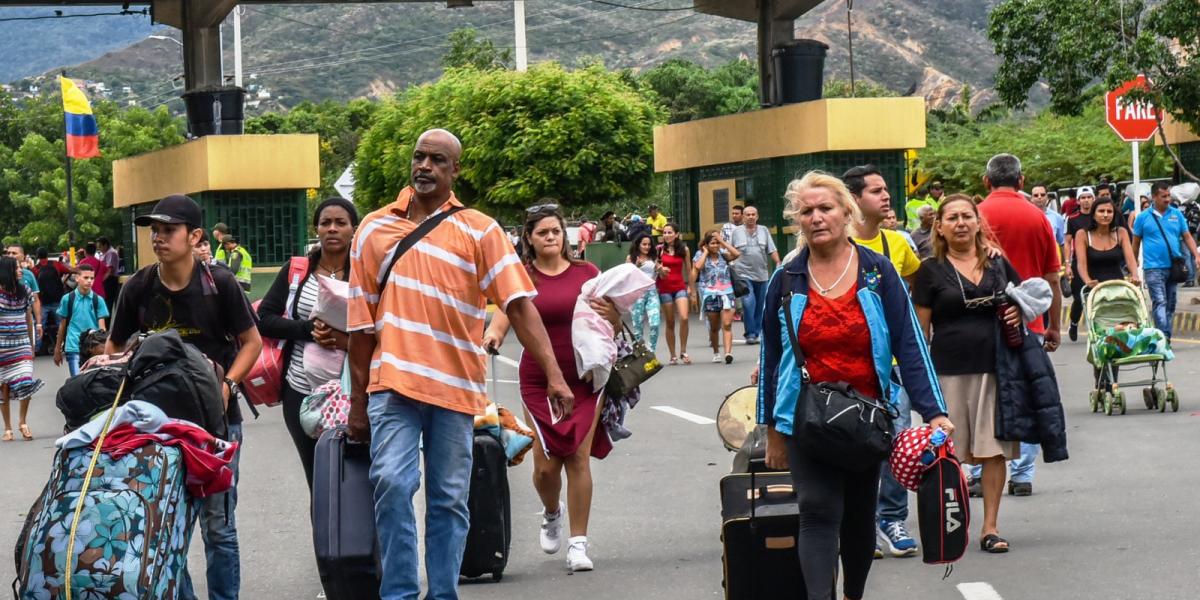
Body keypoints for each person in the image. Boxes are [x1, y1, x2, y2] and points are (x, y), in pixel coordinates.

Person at [345, 129, 571, 600]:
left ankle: (442, 592)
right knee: (390, 482)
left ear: (455, 170)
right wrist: (357, 402)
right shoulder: (373, 229)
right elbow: (360, 325)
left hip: (455, 389)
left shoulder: (480, 229)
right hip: (392, 384)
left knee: (449, 499)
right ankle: (401, 594)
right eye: (419, 157)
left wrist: (553, 373)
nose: (424, 166)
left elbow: (518, 305)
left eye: (437, 160)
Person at [759, 171, 953, 600]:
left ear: (846, 212)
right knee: (817, 509)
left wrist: (934, 410)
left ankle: (853, 595)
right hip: (804, 416)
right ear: (797, 220)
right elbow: (771, 359)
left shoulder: (877, 272)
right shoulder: (786, 279)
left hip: (867, 417)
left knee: (858, 518)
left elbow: (911, 342)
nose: (816, 218)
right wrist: (771, 428)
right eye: (806, 211)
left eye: (825, 208)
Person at [105, 193, 263, 600]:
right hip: (158, 429)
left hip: (218, 424)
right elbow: (113, 347)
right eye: (154, 231)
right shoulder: (138, 287)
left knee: (218, 526)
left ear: (194, 236)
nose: (158, 238)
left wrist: (226, 385)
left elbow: (252, 343)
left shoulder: (219, 283)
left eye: (168, 230)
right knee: (165, 525)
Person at [483, 204, 618, 572]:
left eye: (556, 232)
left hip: (585, 376)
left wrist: (615, 317)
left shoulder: (587, 273)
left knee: (576, 455)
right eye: (542, 232)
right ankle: (551, 510)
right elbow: (503, 318)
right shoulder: (520, 277)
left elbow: (612, 321)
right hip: (539, 378)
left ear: (565, 236)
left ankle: (578, 544)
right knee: (545, 467)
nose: (550, 238)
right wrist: (492, 338)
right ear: (529, 238)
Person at [913, 194, 1026, 554]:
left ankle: (990, 528)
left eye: (967, 216)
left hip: (995, 369)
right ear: (940, 228)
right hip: (948, 373)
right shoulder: (929, 270)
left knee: (994, 451)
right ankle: (951, 525)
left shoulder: (998, 264)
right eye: (952, 218)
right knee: (948, 453)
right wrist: (922, 384)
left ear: (978, 223)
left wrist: (1017, 315)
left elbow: (1027, 302)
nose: (961, 223)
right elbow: (921, 332)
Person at [841, 165, 923, 557]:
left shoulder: (898, 244)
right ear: (855, 200)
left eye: (886, 189)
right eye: (876, 191)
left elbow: (926, 282)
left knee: (899, 437)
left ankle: (891, 517)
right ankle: (859, 521)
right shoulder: (835, 244)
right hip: (845, 366)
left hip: (890, 365)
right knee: (852, 442)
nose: (886, 196)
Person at [977, 153, 1063, 498]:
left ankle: (978, 468)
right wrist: (1054, 324)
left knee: (984, 397)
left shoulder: (974, 215)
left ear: (987, 182)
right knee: (1026, 395)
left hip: (981, 323)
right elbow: (1052, 278)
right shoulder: (1038, 217)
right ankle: (1022, 474)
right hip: (1029, 320)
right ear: (1022, 181)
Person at [257, 198, 357, 490]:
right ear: (317, 229)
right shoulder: (298, 271)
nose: (333, 229)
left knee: (354, 478)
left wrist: (342, 340)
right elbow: (264, 318)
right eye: (326, 223)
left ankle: (356, 536)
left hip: (353, 394)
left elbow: (380, 332)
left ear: (354, 229)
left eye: (341, 223)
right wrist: (307, 330)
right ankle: (324, 536)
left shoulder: (366, 275)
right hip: (301, 392)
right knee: (319, 480)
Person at [1133, 181, 1200, 344]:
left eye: (1169, 195)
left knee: (1170, 304)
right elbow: (1135, 243)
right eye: (1163, 196)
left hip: (1174, 266)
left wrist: (1196, 255)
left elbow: (1187, 237)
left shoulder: (1176, 215)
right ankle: (1164, 335)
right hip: (1153, 268)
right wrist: (1133, 265)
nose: (1167, 199)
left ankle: (1162, 334)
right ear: (1154, 197)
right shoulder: (1142, 218)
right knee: (1160, 301)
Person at [0, 256, 41, 442]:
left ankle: (22, 422)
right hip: (1, 349)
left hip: (22, 345)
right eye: (17, 267)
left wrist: (31, 345)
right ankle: (7, 428)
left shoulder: (25, 290)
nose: (20, 270)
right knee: (3, 389)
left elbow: (28, 318)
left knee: (26, 382)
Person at [730, 205, 779, 345]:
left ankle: (756, 332)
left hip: (762, 274)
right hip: (743, 273)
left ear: (757, 216)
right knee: (748, 303)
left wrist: (778, 262)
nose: (750, 217)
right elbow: (730, 250)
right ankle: (750, 333)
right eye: (747, 214)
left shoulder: (764, 230)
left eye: (753, 214)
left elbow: (772, 249)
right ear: (743, 217)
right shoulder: (736, 232)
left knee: (759, 305)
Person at [693, 229, 741, 363]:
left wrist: (722, 242)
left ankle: (728, 353)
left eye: (716, 243)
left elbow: (736, 254)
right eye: (712, 243)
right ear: (706, 244)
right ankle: (716, 351)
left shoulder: (723, 255)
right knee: (714, 327)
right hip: (710, 294)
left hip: (727, 293)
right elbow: (698, 267)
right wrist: (706, 252)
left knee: (727, 324)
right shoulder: (700, 254)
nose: (715, 246)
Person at [53, 264, 108, 377]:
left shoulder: (98, 300)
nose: (89, 281)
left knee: (93, 381)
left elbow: (102, 328)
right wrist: (57, 349)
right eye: (86, 277)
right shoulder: (67, 299)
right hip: (73, 346)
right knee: (77, 380)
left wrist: (105, 350)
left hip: (94, 348)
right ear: (77, 278)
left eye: (92, 278)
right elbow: (62, 325)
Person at [1076, 196, 1139, 290]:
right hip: (1094, 287)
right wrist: (1087, 280)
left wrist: (1135, 275)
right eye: (1101, 211)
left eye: (1109, 211)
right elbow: (1081, 264)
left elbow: (1130, 260)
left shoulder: (1121, 232)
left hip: (1118, 286)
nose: (1105, 215)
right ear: (1093, 214)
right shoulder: (1083, 235)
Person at [656, 223, 694, 365]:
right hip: (665, 288)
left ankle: (683, 351)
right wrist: (659, 268)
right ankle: (672, 355)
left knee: (684, 317)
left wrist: (693, 291)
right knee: (670, 322)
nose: (666, 235)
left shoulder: (684, 249)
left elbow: (689, 271)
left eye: (669, 232)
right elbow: (654, 266)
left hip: (679, 287)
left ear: (676, 234)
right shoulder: (659, 249)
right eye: (665, 232)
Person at [1064, 186, 1096, 342]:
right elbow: (1068, 242)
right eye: (1083, 198)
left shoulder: (1099, 216)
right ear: (1078, 201)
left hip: (1097, 260)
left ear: (1093, 199)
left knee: (1096, 297)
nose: (1086, 200)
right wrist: (1068, 264)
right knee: (1079, 298)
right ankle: (1074, 322)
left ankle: (1095, 329)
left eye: (1089, 197)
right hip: (1079, 262)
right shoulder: (1072, 219)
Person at [626, 233, 663, 352]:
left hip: (652, 293)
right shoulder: (630, 258)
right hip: (637, 295)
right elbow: (626, 276)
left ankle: (651, 350)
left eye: (649, 244)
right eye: (644, 244)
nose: (647, 247)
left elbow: (662, 275)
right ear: (638, 245)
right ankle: (641, 352)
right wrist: (635, 266)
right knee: (638, 327)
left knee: (655, 323)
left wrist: (660, 270)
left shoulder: (654, 258)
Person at [32, 247, 72, 352]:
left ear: (37, 256)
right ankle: (67, 347)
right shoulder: (56, 265)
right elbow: (71, 270)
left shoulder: (35, 269)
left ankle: (36, 349)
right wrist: (64, 280)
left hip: (43, 302)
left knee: (40, 325)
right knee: (61, 325)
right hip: (58, 300)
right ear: (47, 254)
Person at [6, 245, 43, 347]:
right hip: (5, 324)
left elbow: (35, 300)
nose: (10, 255)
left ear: (22, 256)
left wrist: (39, 323)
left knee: (28, 354)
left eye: (14, 253)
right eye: (8, 253)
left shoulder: (28, 275)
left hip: (25, 321)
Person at [97, 236, 121, 311]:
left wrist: (101, 281)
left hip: (110, 280)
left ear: (105, 245)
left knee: (107, 303)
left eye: (100, 246)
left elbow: (109, 270)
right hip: (106, 280)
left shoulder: (111, 253)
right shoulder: (104, 253)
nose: (99, 249)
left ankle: (106, 322)